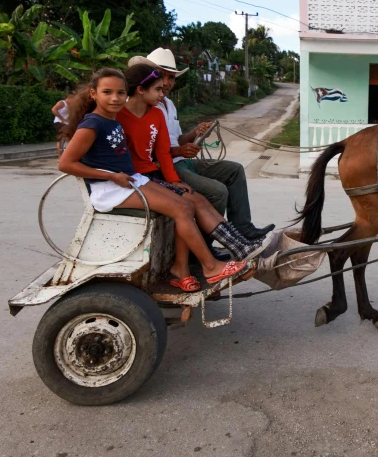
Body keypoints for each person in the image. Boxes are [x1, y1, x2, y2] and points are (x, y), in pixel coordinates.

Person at [57, 68, 249, 291]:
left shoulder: (111, 119)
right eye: (107, 92)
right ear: (93, 94)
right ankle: (211, 266)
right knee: (182, 208)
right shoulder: (93, 124)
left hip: (130, 181)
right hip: (111, 189)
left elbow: (157, 151)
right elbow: (66, 163)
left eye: (120, 93)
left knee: (186, 202)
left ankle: (182, 269)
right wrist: (110, 176)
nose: (115, 98)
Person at [117, 63, 266, 263]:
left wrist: (194, 136)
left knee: (218, 181)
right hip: (142, 176)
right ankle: (207, 253)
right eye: (160, 85)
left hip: (163, 168)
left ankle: (241, 237)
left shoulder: (161, 110)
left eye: (170, 79)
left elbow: (164, 148)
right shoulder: (118, 116)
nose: (166, 87)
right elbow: (152, 155)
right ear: (141, 89)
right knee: (210, 194)